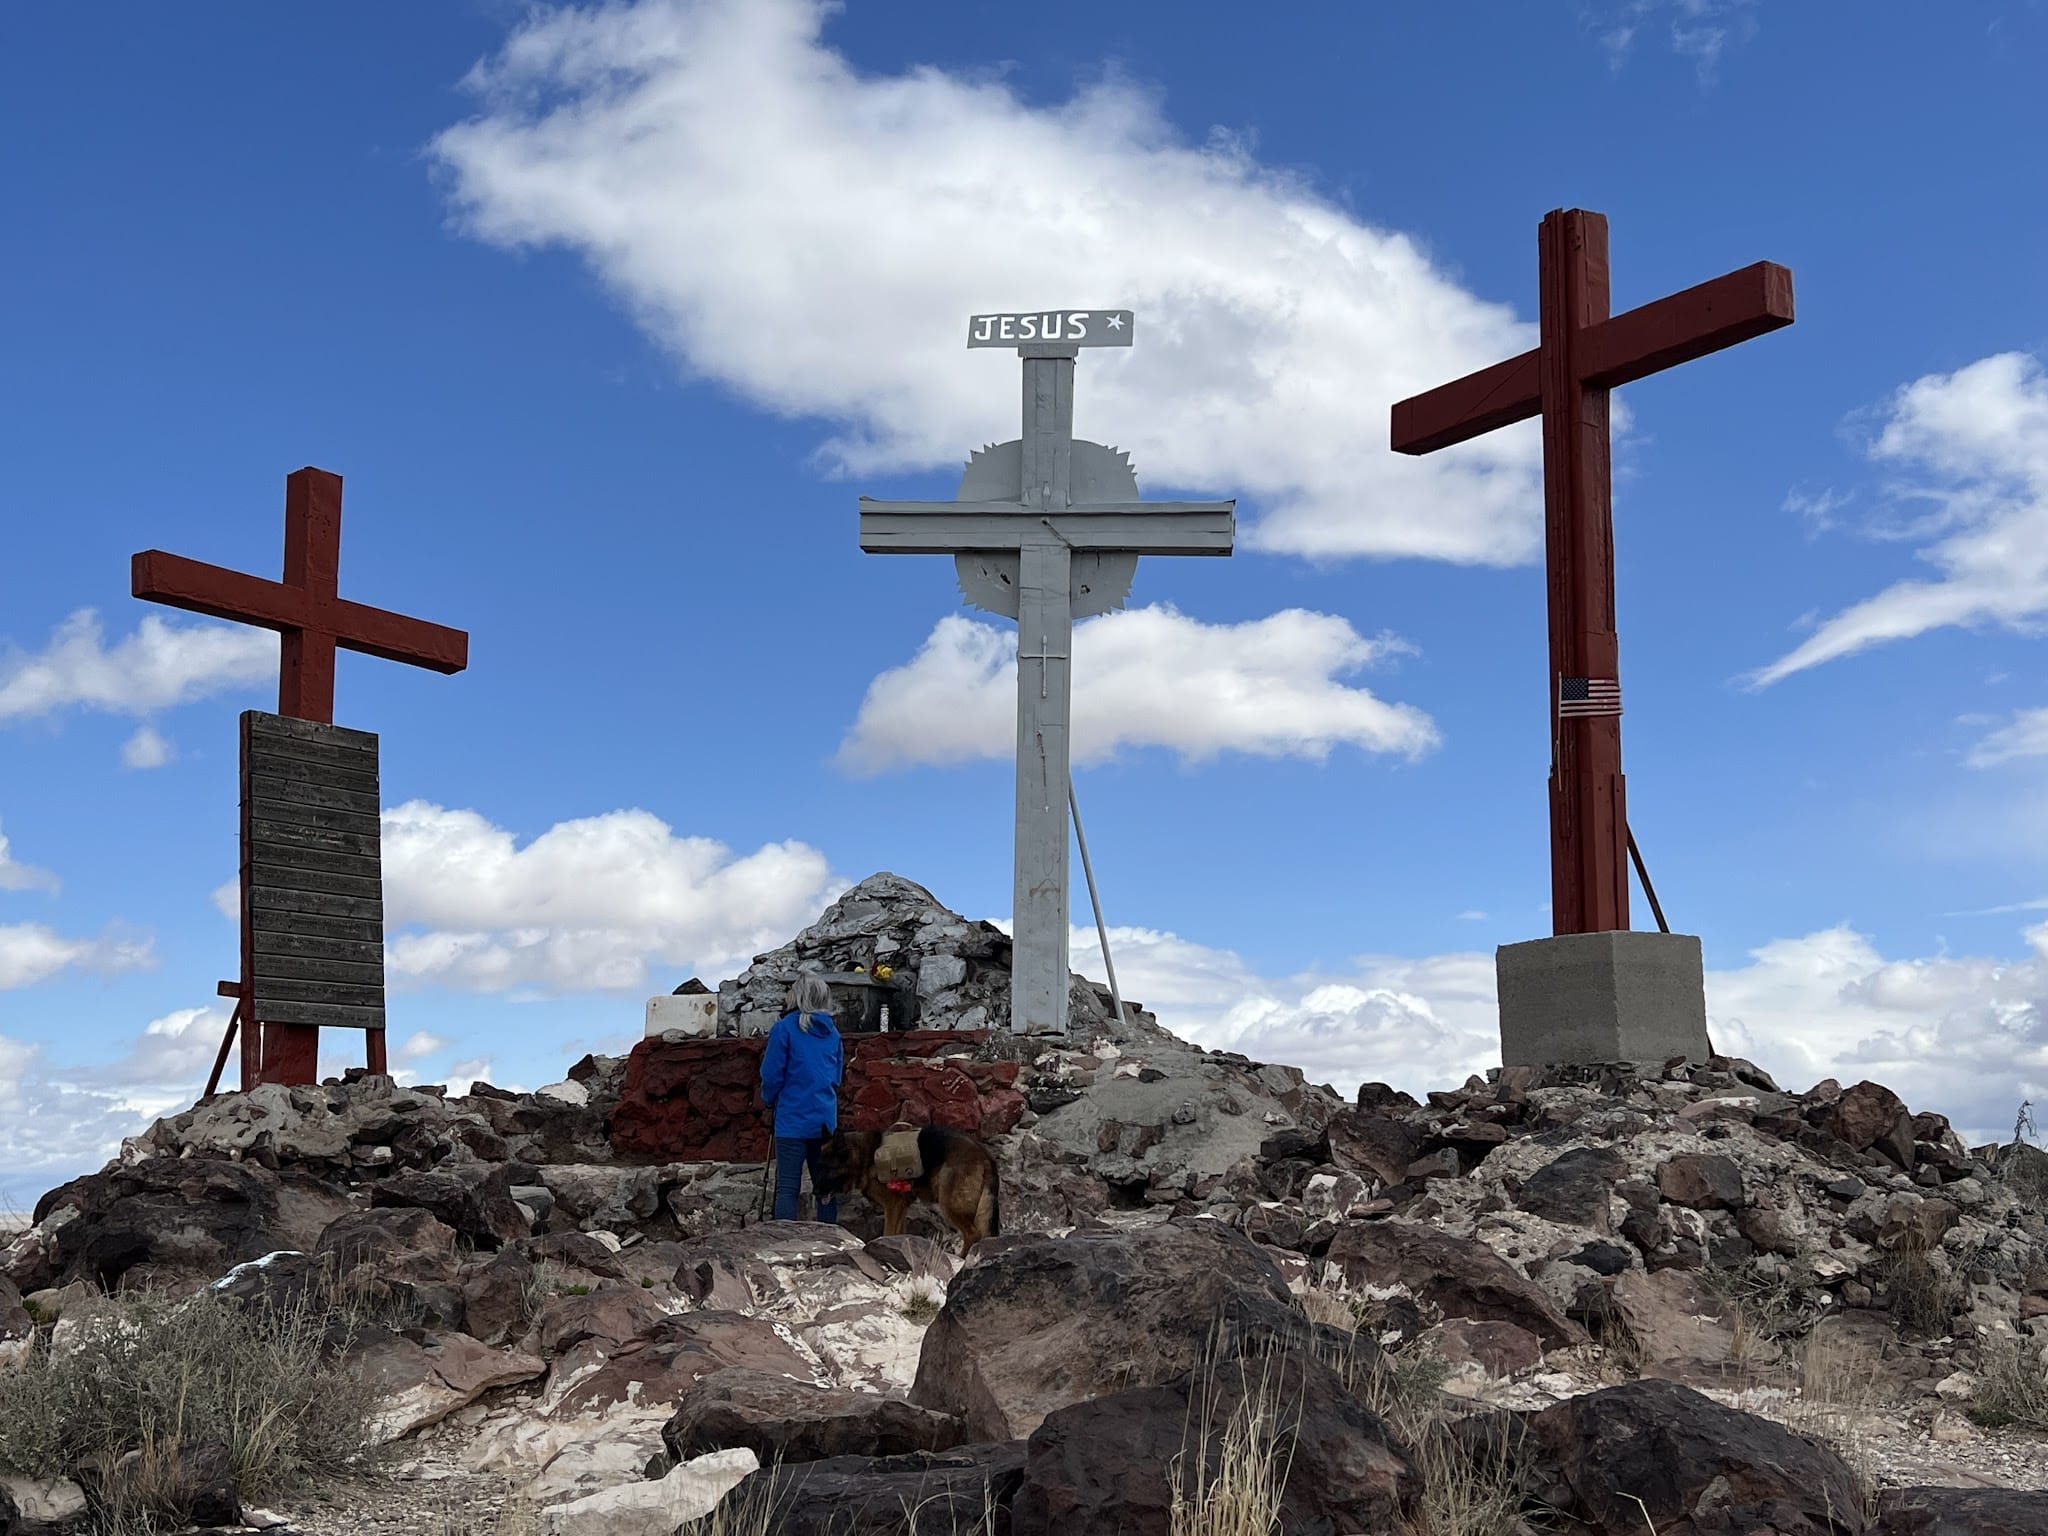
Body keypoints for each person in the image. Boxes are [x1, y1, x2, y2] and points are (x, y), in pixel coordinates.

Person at [759, 974, 844, 1223]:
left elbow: (771, 1073)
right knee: (826, 1186)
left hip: (792, 1118)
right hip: (825, 1121)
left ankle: (785, 1241)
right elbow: (836, 1076)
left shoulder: (785, 1028)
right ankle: (830, 1238)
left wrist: (769, 1099)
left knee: (787, 1187)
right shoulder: (833, 1033)